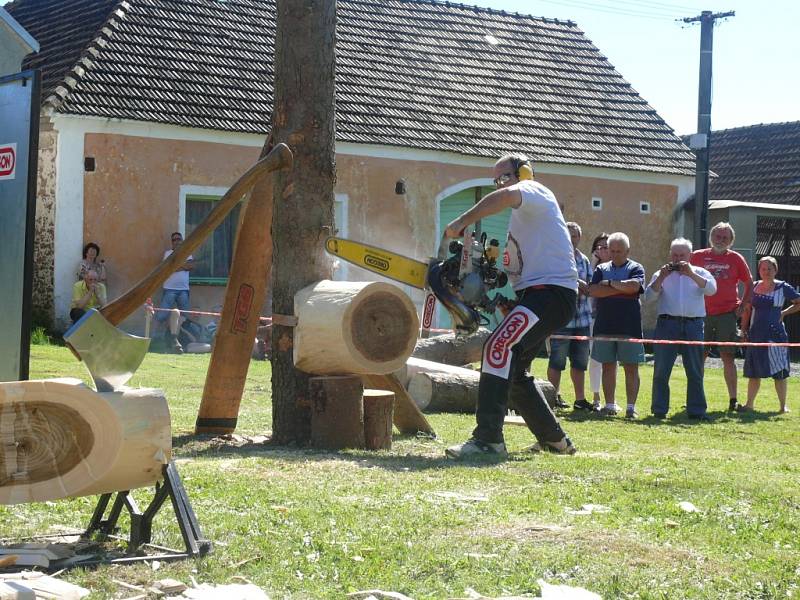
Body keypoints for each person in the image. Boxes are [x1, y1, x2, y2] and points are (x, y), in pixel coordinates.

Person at [444, 153, 579, 459]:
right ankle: (555, 441)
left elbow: (506, 196)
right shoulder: (523, 222)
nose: (500, 184)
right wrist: (505, 301)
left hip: (551, 293)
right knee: (514, 370)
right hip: (537, 296)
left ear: (524, 173)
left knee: (497, 347)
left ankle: (488, 439)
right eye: (496, 180)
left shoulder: (536, 191)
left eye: (505, 177)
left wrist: (462, 220)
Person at [644, 238, 717, 420]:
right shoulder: (661, 273)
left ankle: (697, 411)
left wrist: (691, 274)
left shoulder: (700, 272)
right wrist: (661, 278)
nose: (677, 259)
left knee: (694, 370)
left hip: (693, 325)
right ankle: (659, 410)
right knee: (661, 369)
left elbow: (712, 290)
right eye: (674, 255)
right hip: (667, 324)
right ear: (670, 254)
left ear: (690, 255)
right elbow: (648, 298)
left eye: (681, 255)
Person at [690, 222, 753, 411]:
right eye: (718, 236)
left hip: (727, 314)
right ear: (711, 237)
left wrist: (743, 304)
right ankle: (695, 399)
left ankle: (733, 400)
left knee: (728, 357)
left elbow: (749, 282)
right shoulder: (697, 256)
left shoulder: (736, 259)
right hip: (701, 313)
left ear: (731, 241)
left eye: (725, 238)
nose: (721, 240)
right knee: (699, 356)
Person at [588, 232, 645, 419]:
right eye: (611, 251)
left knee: (631, 367)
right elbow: (594, 290)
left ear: (628, 251)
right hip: (605, 324)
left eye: (619, 251)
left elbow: (634, 287)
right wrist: (620, 290)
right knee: (608, 366)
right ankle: (610, 405)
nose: (615, 254)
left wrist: (611, 284)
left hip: (630, 326)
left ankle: (631, 407)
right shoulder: (601, 268)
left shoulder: (636, 267)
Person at [739, 256, 800, 413]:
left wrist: (784, 313)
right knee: (753, 371)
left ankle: (782, 407)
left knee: (779, 372)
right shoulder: (753, 287)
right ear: (759, 270)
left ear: (775, 270)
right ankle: (749, 405)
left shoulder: (783, 287)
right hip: (756, 334)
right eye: (763, 269)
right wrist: (744, 330)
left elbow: (798, 302)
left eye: (769, 269)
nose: (766, 272)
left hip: (775, 335)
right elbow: (747, 310)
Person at [547, 222, 592, 411]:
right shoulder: (555, 257)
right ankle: (552, 397)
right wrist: (576, 283)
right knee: (557, 361)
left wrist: (583, 286)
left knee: (580, 362)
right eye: (568, 235)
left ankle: (580, 400)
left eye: (575, 236)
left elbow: (589, 287)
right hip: (560, 318)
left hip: (582, 319)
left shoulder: (585, 260)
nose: (572, 239)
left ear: (579, 238)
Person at [155, 232, 194, 353]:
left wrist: (176, 266)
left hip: (183, 290)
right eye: (174, 239)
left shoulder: (187, 252)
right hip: (170, 289)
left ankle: (180, 339)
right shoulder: (168, 253)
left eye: (179, 239)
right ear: (172, 242)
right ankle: (157, 339)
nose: (177, 241)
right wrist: (182, 266)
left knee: (185, 317)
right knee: (162, 315)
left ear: (182, 240)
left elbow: (191, 266)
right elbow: (167, 268)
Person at [586, 232, 611, 411]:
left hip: (612, 317)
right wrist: (594, 262)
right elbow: (588, 287)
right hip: (593, 317)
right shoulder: (591, 267)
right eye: (598, 247)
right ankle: (596, 397)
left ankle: (611, 399)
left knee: (611, 360)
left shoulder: (616, 268)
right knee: (594, 359)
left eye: (605, 247)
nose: (602, 250)